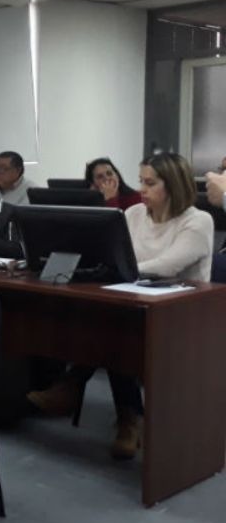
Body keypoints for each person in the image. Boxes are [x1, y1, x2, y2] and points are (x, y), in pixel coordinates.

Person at [28, 153, 213, 460]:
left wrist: (122, 267)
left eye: (151, 183)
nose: (142, 188)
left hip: (181, 315)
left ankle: (77, 386)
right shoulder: (134, 214)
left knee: (115, 326)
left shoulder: (198, 220)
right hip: (133, 303)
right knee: (112, 324)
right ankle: (128, 416)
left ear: (174, 186)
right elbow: (114, 253)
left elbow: (167, 265)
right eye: (141, 180)